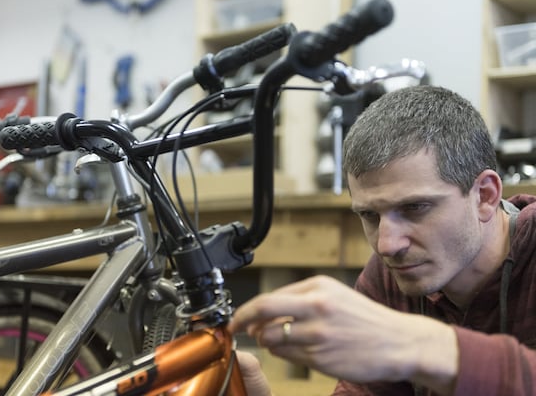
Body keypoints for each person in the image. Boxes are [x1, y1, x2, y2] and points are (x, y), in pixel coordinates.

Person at [228, 85, 536, 396]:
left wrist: (418, 345)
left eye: (414, 208)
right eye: (370, 215)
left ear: (485, 195)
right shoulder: (389, 278)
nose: (387, 245)